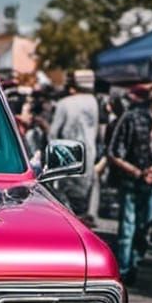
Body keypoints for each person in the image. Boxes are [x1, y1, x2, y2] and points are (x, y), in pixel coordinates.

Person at [108, 83, 152, 284]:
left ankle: (134, 262)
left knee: (145, 228)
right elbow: (114, 153)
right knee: (127, 228)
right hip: (132, 182)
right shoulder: (132, 118)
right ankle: (125, 271)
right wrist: (138, 172)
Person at [49, 69, 99, 225]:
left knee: (66, 197)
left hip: (68, 153)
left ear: (72, 87)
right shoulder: (93, 102)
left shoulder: (64, 103)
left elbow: (53, 133)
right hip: (89, 151)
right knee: (86, 191)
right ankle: (88, 216)